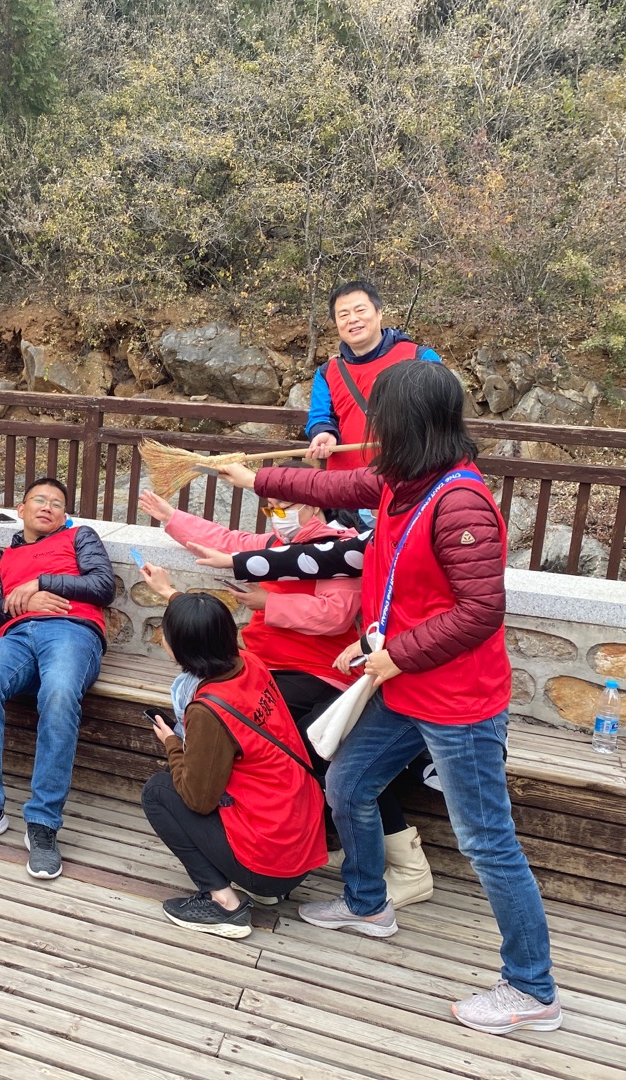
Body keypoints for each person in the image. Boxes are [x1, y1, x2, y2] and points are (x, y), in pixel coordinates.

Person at [216, 361, 561, 1035]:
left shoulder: (460, 503)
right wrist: (253, 479)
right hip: (402, 684)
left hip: (457, 701)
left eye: (381, 421)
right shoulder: (404, 481)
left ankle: (532, 988)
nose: (371, 434)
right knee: (347, 782)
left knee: (487, 842)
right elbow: (332, 483)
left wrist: (395, 653)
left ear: (411, 425)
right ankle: (368, 904)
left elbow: (480, 611)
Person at [142, 468, 436, 908]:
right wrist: (171, 517)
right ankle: (262, 845)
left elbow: (336, 614)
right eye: (271, 508)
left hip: (319, 675)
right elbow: (226, 540)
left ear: (312, 501)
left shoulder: (340, 547)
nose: (277, 515)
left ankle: (405, 865)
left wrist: (270, 602)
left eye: (284, 505)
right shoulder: (276, 546)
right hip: (267, 671)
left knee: (319, 753)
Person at [0, 477, 116, 880]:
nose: (48, 506)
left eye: (57, 503)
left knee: (59, 692)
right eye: (39, 499)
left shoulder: (80, 538)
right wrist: (20, 601)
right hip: (17, 636)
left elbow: (103, 586)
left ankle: (43, 823)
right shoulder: (0, 558)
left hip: (73, 631)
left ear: (65, 515)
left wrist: (42, 583)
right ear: (21, 510)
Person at [136, 584, 326, 938]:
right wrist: (171, 594)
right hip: (299, 845)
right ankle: (262, 887)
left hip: (270, 864)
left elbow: (198, 799)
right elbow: (203, 627)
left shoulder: (209, 710)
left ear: (179, 647)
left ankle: (224, 903)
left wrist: (173, 744)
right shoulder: (247, 662)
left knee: (159, 792)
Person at [306, 280, 441, 478]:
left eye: (360, 310)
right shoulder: (328, 373)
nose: (352, 319)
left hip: (409, 481)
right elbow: (320, 416)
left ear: (379, 312)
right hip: (346, 483)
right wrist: (323, 432)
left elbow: (442, 415)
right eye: (343, 315)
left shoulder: (421, 358)